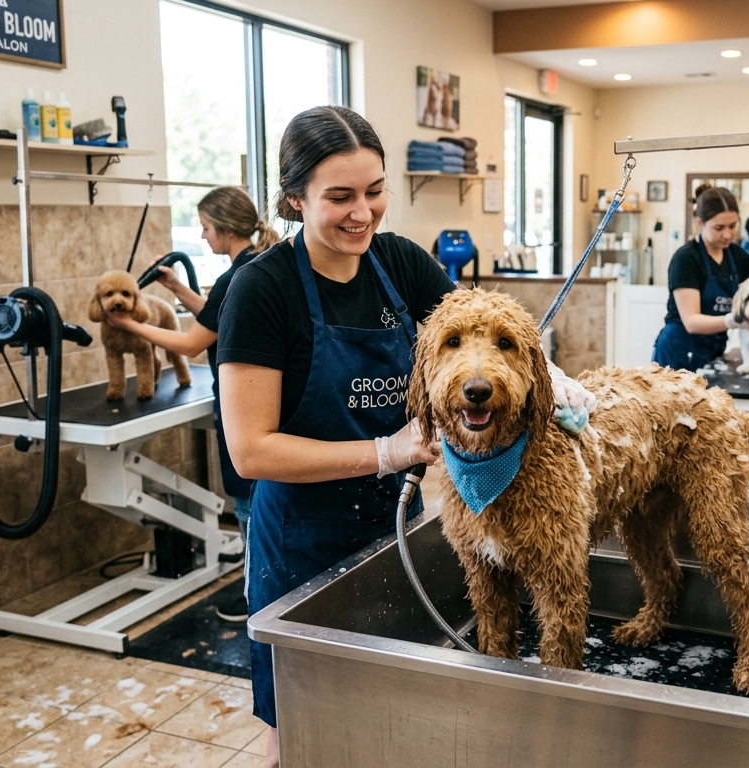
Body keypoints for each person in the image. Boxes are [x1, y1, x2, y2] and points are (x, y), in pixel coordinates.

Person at [215, 105, 591, 767]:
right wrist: (386, 451)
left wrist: (549, 374)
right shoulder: (260, 291)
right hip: (302, 538)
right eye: (340, 197)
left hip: (391, 524)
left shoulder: (397, 264)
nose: (362, 212)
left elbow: (477, 329)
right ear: (294, 198)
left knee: (388, 720)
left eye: (374, 191)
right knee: (300, 729)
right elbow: (251, 450)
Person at [103, 186, 279, 623]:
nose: (201, 237)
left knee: (246, 506)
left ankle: (257, 596)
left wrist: (129, 324)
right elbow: (219, 317)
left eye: (205, 228)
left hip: (242, 404)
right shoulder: (254, 266)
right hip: (266, 400)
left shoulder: (236, 276)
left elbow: (192, 342)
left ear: (222, 229)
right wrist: (178, 287)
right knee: (259, 501)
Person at [651, 185, 749, 371]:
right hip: (678, 351)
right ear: (700, 223)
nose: (727, 234)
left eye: (732, 226)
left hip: (714, 350)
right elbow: (692, 322)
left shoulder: (739, 257)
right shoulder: (686, 259)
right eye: (719, 228)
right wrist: (732, 321)